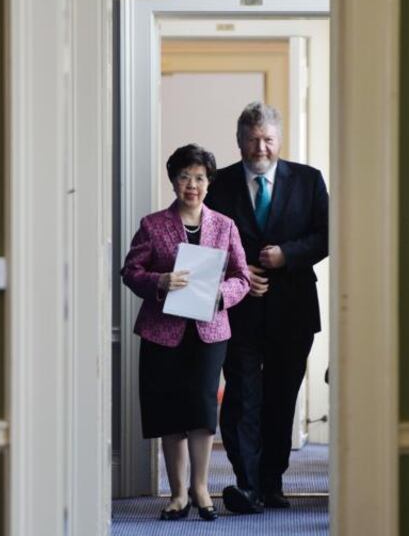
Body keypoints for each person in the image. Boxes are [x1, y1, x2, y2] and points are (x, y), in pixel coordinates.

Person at [205, 102, 329, 513]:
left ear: (279, 139)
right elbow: (202, 241)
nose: (261, 147)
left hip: (293, 310)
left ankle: (272, 481)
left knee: (281, 397)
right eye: (253, 139)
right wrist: (238, 272)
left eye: (268, 139)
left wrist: (287, 256)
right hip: (238, 310)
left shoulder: (308, 181)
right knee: (241, 396)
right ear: (240, 140)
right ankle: (247, 484)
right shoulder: (218, 183)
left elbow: (327, 235)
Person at [121, 143, 250, 521]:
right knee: (168, 411)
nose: (191, 185)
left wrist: (219, 297)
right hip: (162, 330)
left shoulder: (224, 225)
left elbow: (241, 277)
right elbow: (130, 271)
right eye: (183, 177)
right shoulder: (152, 224)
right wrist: (159, 279)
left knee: (201, 410)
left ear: (209, 182)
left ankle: (201, 488)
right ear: (173, 181)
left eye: (199, 178)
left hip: (209, 332)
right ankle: (177, 493)